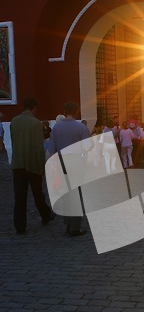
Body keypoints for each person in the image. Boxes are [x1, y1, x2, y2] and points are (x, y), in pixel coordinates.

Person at [10, 97, 54, 234]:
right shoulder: (35, 123)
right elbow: (38, 148)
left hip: (18, 164)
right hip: (32, 164)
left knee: (20, 197)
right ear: (34, 108)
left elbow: (13, 142)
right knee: (37, 193)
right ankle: (46, 215)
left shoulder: (14, 122)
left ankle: (20, 225)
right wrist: (41, 166)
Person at [49, 101, 91, 236]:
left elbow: (52, 149)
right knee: (76, 194)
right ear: (76, 111)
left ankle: (67, 223)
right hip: (76, 162)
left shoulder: (56, 128)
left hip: (61, 162)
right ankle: (75, 226)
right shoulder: (81, 128)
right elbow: (87, 147)